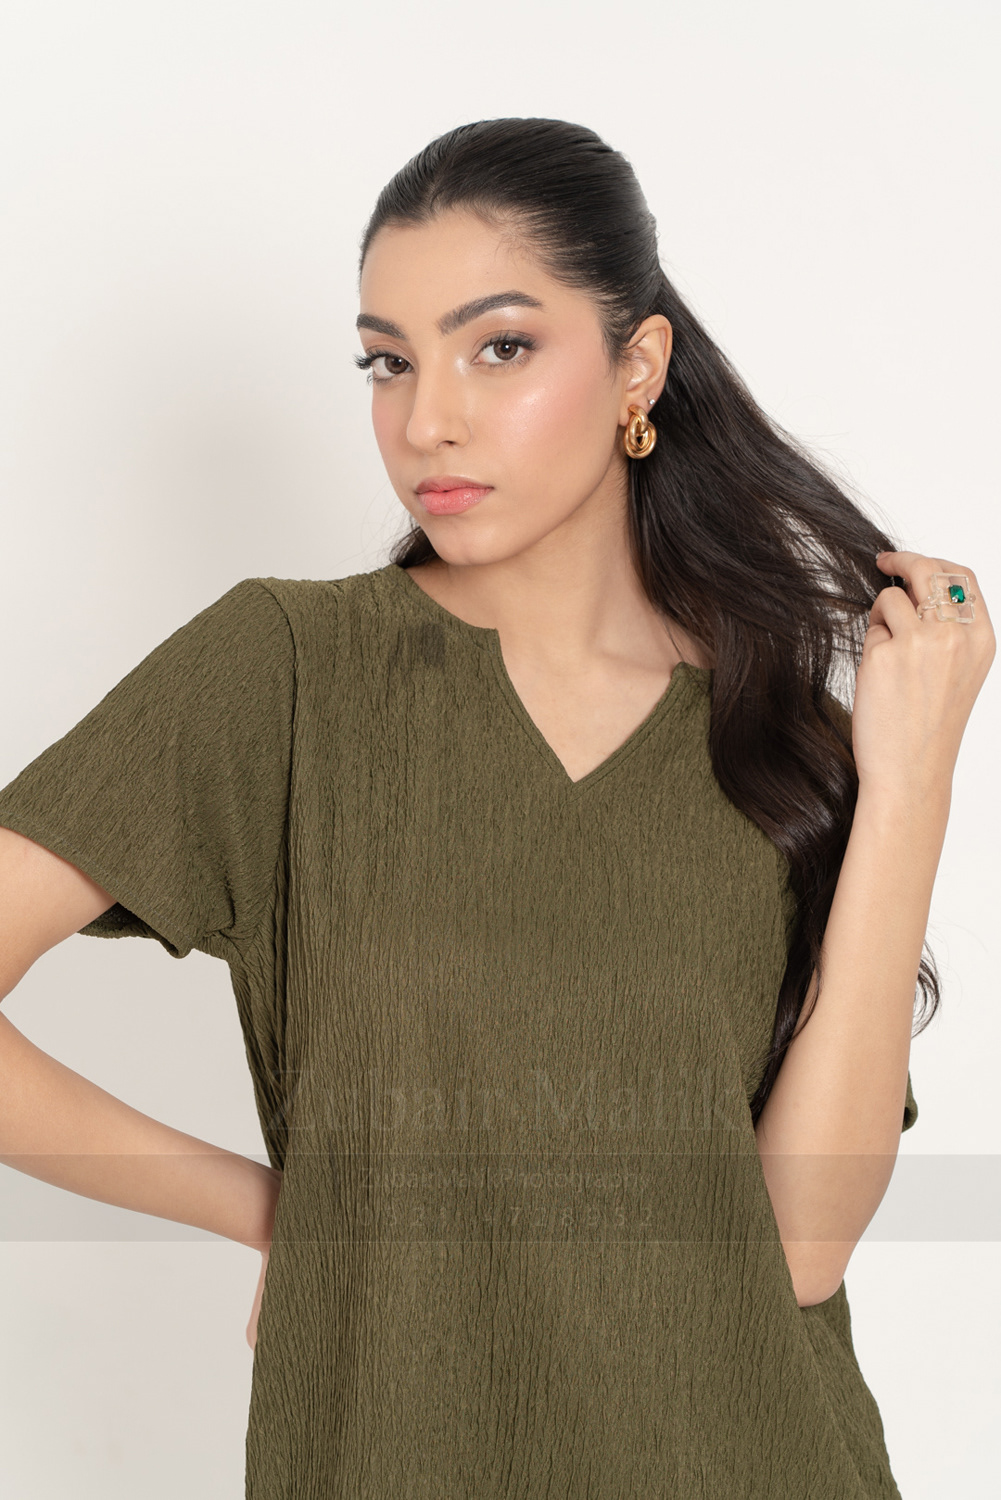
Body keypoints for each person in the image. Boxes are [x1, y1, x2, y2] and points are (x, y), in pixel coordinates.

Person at [0, 116, 993, 1498]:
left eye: (501, 348)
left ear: (638, 365)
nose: (428, 421)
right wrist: (275, 1210)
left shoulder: (776, 736)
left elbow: (800, 1250)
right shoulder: (287, 672)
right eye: (388, 362)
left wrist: (914, 782)